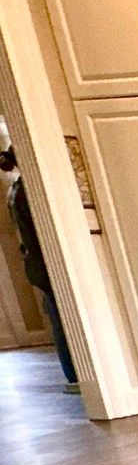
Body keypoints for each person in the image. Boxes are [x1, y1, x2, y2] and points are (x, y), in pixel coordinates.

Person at [1, 140, 78, 389]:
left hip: (36, 264)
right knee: (64, 319)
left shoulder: (16, 189)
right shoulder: (29, 191)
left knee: (59, 318)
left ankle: (74, 376)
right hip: (47, 263)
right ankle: (77, 377)